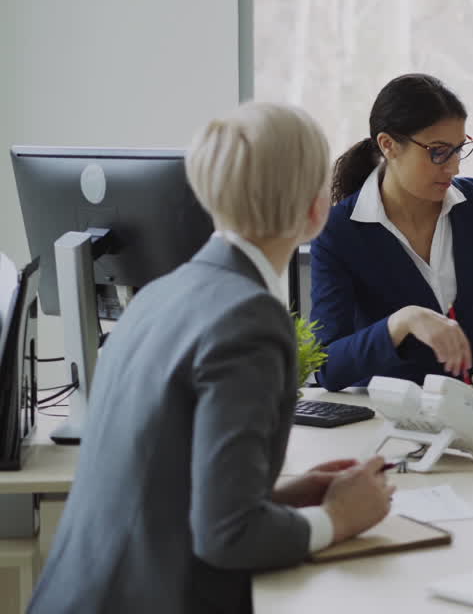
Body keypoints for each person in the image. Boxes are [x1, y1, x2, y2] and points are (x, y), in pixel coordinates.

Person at [28, 103, 394, 614]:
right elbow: (228, 537)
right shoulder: (251, 319)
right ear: (316, 212)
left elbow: (170, 493)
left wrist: (288, 498)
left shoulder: (157, 295)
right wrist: (338, 520)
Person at [310, 73, 473, 393]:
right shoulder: (339, 231)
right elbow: (328, 365)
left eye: (458, 149)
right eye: (438, 152)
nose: (453, 168)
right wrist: (402, 322)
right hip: (389, 416)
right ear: (388, 145)